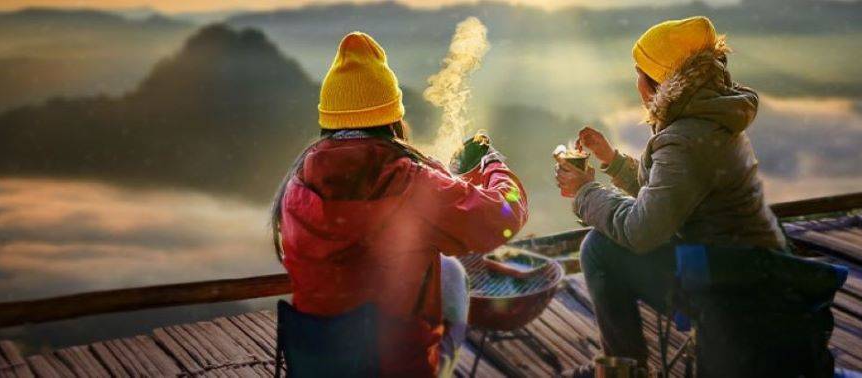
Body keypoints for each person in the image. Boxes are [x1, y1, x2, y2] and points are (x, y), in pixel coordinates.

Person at [272, 31, 528, 377]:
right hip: (392, 367)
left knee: (446, 268)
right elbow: (505, 216)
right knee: (452, 273)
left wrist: (454, 182)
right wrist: (494, 166)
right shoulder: (409, 181)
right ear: (391, 117)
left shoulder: (297, 183)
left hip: (318, 362)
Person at [554, 16, 787, 375]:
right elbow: (671, 193)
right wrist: (612, 161)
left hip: (728, 283)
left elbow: (642, 230)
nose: (636, 82)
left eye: (639, 72)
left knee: (600, 249)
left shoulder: (685, 137)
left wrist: (585, 191)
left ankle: (623, 370)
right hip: (744, 264)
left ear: (657, 82)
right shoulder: (709, 113)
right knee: (607, 241)